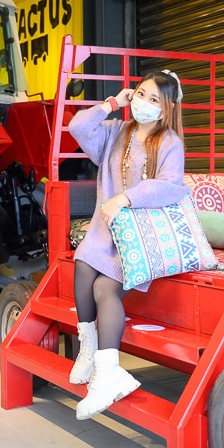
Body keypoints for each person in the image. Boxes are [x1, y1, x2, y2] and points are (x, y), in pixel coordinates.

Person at [66, 69, 188, 420]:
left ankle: (108, 372)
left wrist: (126, 199)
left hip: (140, 236)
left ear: (166, 109)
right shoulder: (116, 131)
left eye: (154, 100)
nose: (144, 103)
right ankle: (89, 349)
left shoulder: (169, 143)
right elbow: (78, 128)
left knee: (105, 287)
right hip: (107, 232)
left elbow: (170, 185)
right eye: (140, 94)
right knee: (83, 262)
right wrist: (111, 104)